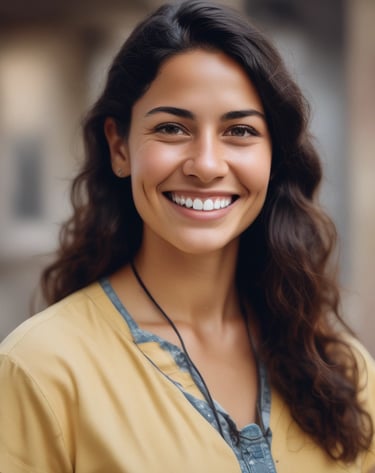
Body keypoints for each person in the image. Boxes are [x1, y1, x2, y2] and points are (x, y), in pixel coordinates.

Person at [0, 1, 374, 472]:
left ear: (274, 155)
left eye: (239, 130)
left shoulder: (341, 372)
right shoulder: (42, 372)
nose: (207, 165)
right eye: (172, 128)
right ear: (119, 146)